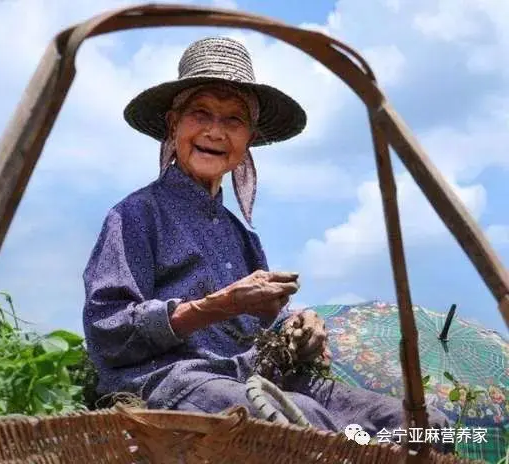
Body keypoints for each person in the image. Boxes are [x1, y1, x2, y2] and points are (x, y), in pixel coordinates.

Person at [82, 36, 452, 451]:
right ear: (173, 124)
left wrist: (299, 327)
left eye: (234, 120)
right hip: (175, 384)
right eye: (200, 113)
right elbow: (107, 331)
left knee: (429, 427)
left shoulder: (242, 238)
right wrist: (219, 304)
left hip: (254, 378)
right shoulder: (135, 215)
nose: (215, 131)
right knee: (306, 421)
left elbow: (262, 328)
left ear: (249, 139)